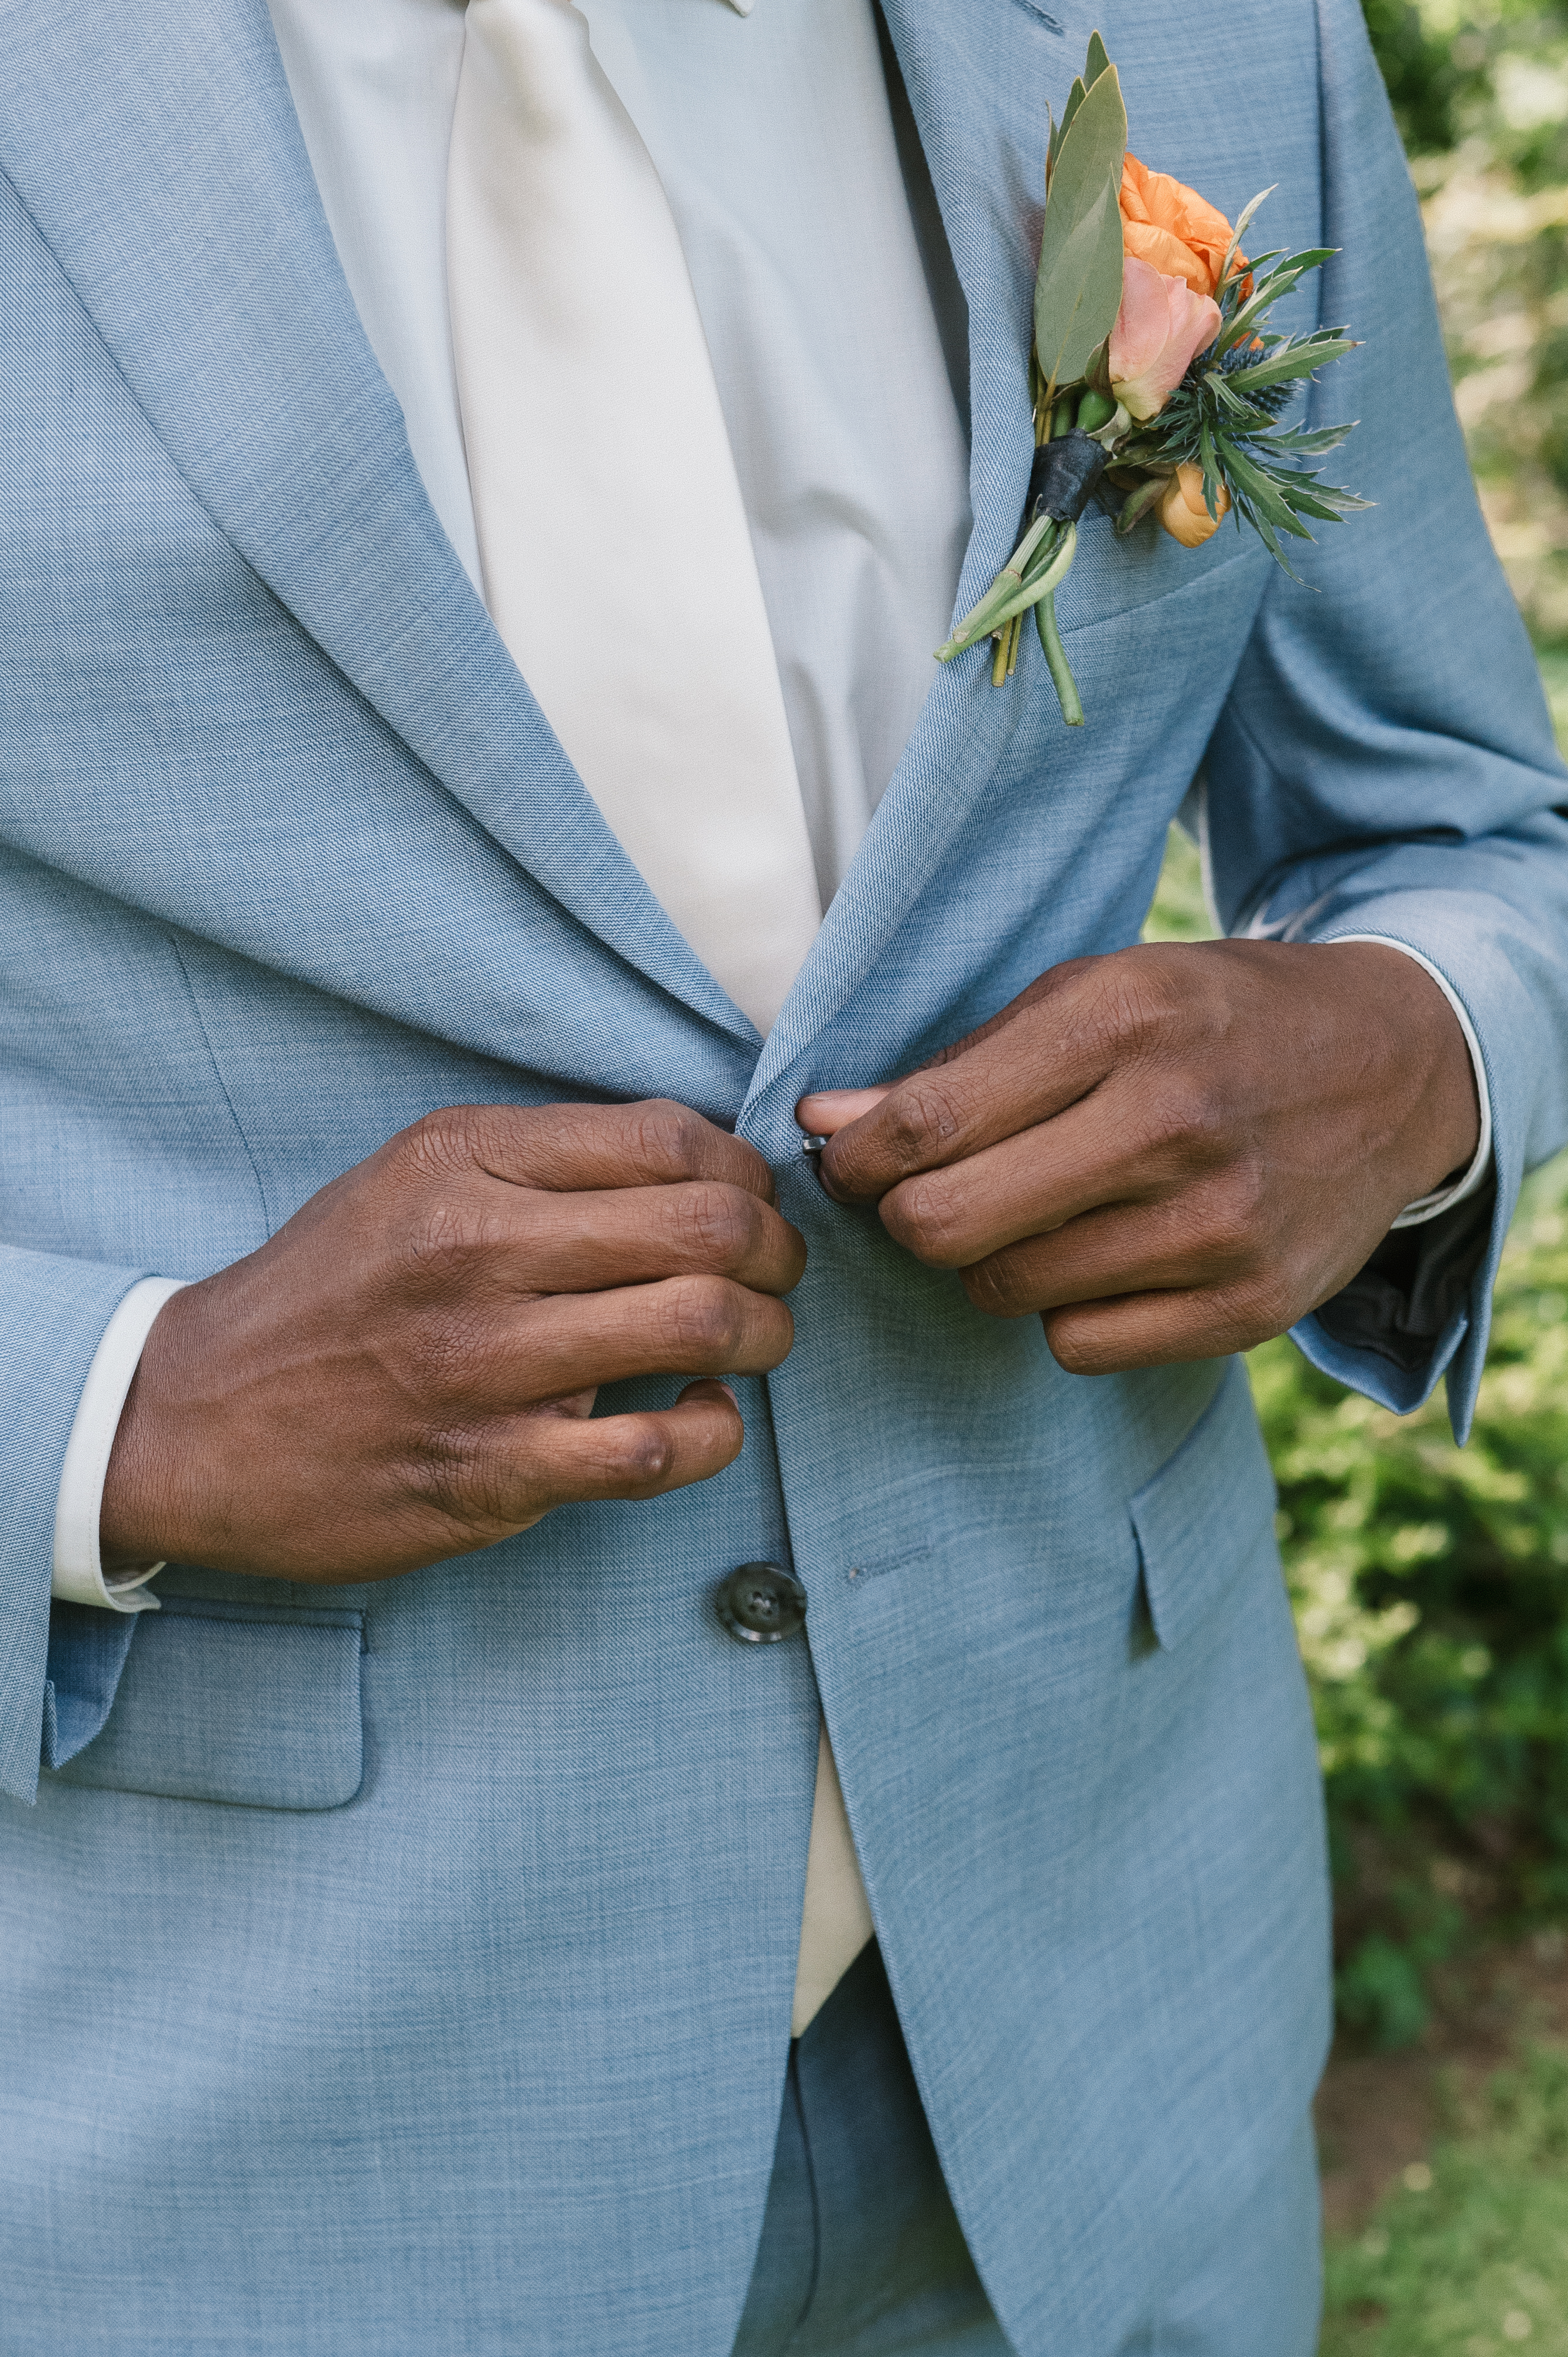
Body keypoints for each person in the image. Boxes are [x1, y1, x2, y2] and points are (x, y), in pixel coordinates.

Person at [1, 0, 1563, 2349]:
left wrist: (1402, 1053)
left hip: (1100, 2050)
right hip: (233, 2135)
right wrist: (118, 1404)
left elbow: (1455, 821)